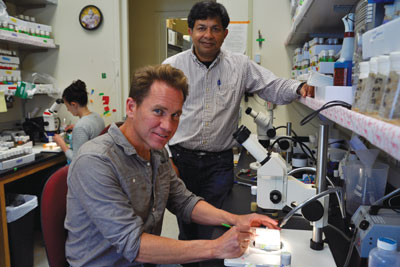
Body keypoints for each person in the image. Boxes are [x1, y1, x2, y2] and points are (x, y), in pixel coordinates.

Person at [64, 64, 280, 267]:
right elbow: (133, 244)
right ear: (131, 107)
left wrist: (236, 219)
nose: (168, 126)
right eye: (158, 111)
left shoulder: (156, 152)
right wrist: (216, 247)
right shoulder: (95, 161)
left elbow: (184, 202)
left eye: (175, 115)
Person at [162, 0, 314, 245]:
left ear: (225, 34)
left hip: (219, 164)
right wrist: (167, 158)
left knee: (218, 227)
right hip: (181, 161)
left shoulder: (240, 66)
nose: (208, 35)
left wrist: (300, 87)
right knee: (188, 226)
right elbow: (158, 117)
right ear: (190, 32)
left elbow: (272, 86)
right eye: (201, 28)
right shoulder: (171, 68)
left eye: (215, 29)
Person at [53, 80, 105, 162]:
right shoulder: (96, 116)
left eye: (67, 106)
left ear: (74, 104)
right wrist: (76, 127)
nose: (68, 110)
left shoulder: (81, 126)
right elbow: (90, 130)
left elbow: (77, 159)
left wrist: (61, 143)